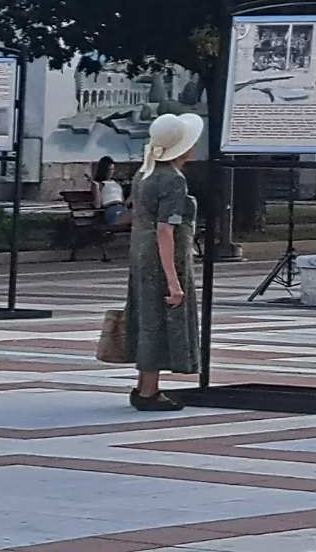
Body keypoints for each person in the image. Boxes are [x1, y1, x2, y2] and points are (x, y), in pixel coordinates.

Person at [122, 113, 203, 410]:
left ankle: (145, 385)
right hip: (161, 258)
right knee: (160, 316)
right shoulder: (172, 180)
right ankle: (149, 392)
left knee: (147, 317)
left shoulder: (144, 174)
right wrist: (174, 280)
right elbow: (165, 230)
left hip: (140, 255)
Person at [91, 156, 132, 232]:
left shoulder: (116, 183)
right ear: (103, 170)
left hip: (123, 209)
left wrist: (133, 195)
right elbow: (97, 205)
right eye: (108, 170)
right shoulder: (99, 184)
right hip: (112, 211)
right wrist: (96, 188)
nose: (111, 172)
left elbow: (124, 202)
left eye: (112, 169)